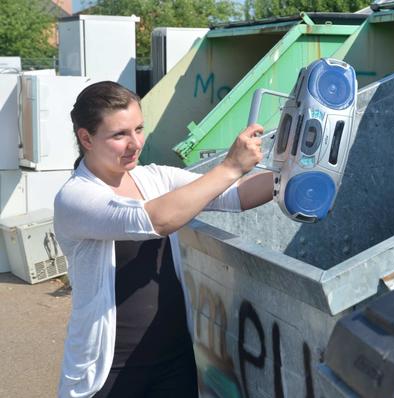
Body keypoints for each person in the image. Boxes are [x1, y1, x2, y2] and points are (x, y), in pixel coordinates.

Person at [53, 81, 273, 397]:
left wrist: (291, 168)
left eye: (139, 129)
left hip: (173, 360)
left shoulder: (154, 177)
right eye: (119, 135)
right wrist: (230, 165)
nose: (135, 144)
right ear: (85, 138)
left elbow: (235, 195)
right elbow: (156, 219)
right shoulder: (75, 198)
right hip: (109, 370)